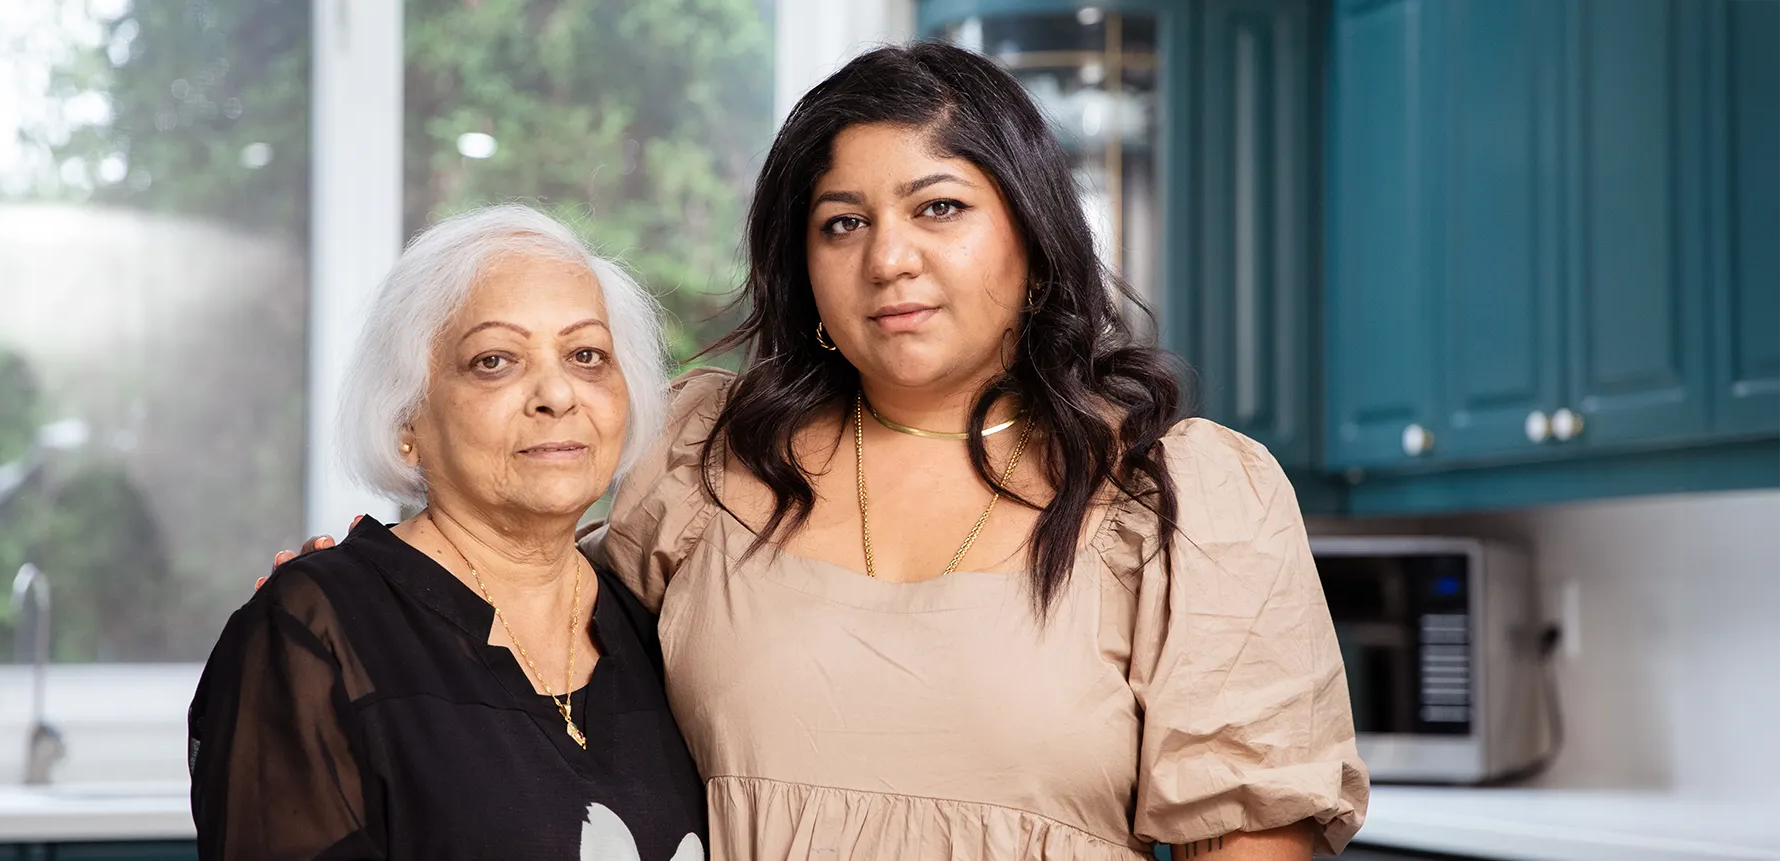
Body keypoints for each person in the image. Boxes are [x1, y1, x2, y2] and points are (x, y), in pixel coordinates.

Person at [288, 43, 1366, 860]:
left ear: (1037, 244)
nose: (889, 258)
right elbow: (533, 633)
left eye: (939, 207)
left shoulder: (1182, 498)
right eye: (842, 223)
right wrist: (361, 602)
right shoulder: (708, 461)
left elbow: (1253, 845)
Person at [192, 204, 706, 860]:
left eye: (586, 355)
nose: (557, 394)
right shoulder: (313, 633)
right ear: (407, 418)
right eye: (495, 360)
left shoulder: (660, 627)